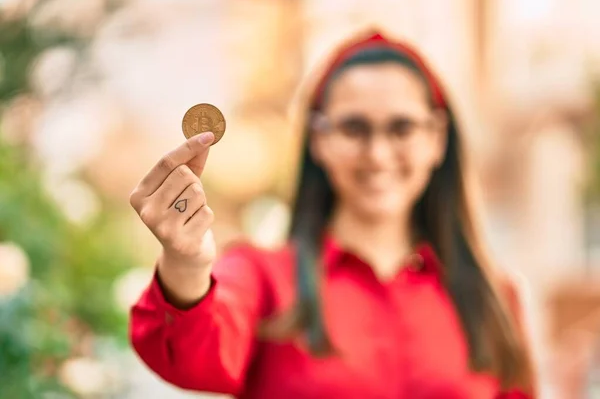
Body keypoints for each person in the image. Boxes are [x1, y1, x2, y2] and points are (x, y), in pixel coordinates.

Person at [128, 29, 537, 398]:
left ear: (437, 137)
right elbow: (189, 357)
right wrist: (184, 266)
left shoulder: (493, 298)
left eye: (401, 128)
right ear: (318, 139)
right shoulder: (261, 277)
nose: (377, 155)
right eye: (354, 128)